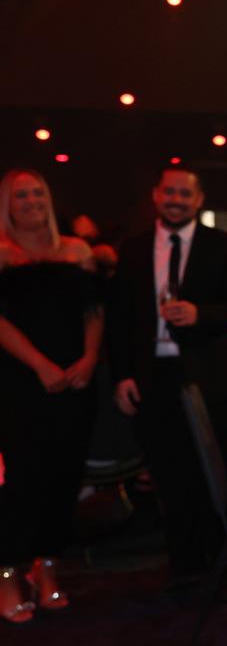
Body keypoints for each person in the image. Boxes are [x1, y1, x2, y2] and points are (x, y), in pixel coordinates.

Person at [107, 167, 227, 585]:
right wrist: (122, 376)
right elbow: (119, 320)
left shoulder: (224, 245)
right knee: (168, 478)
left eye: (184, 193)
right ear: (156, 196)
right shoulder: (134, 249)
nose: (176, 198)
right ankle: (183, 568)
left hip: (211, 377)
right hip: (153, 377)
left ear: (199, 199)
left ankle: (220, 567)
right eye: (169, 191)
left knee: (213, 474)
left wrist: (200, 314)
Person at [0, 170, 99, 622]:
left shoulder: (77, 250)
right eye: (21, 195)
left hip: (75, 380)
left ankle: (47, 567)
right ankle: (7, 573)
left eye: (38, 192)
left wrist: (89, 360)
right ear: (7, 203)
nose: (31, 201)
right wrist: (39, 364)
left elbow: (95, 311)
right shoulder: (2, 252)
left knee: (65, 476)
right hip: (20, 381)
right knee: (22, 480)